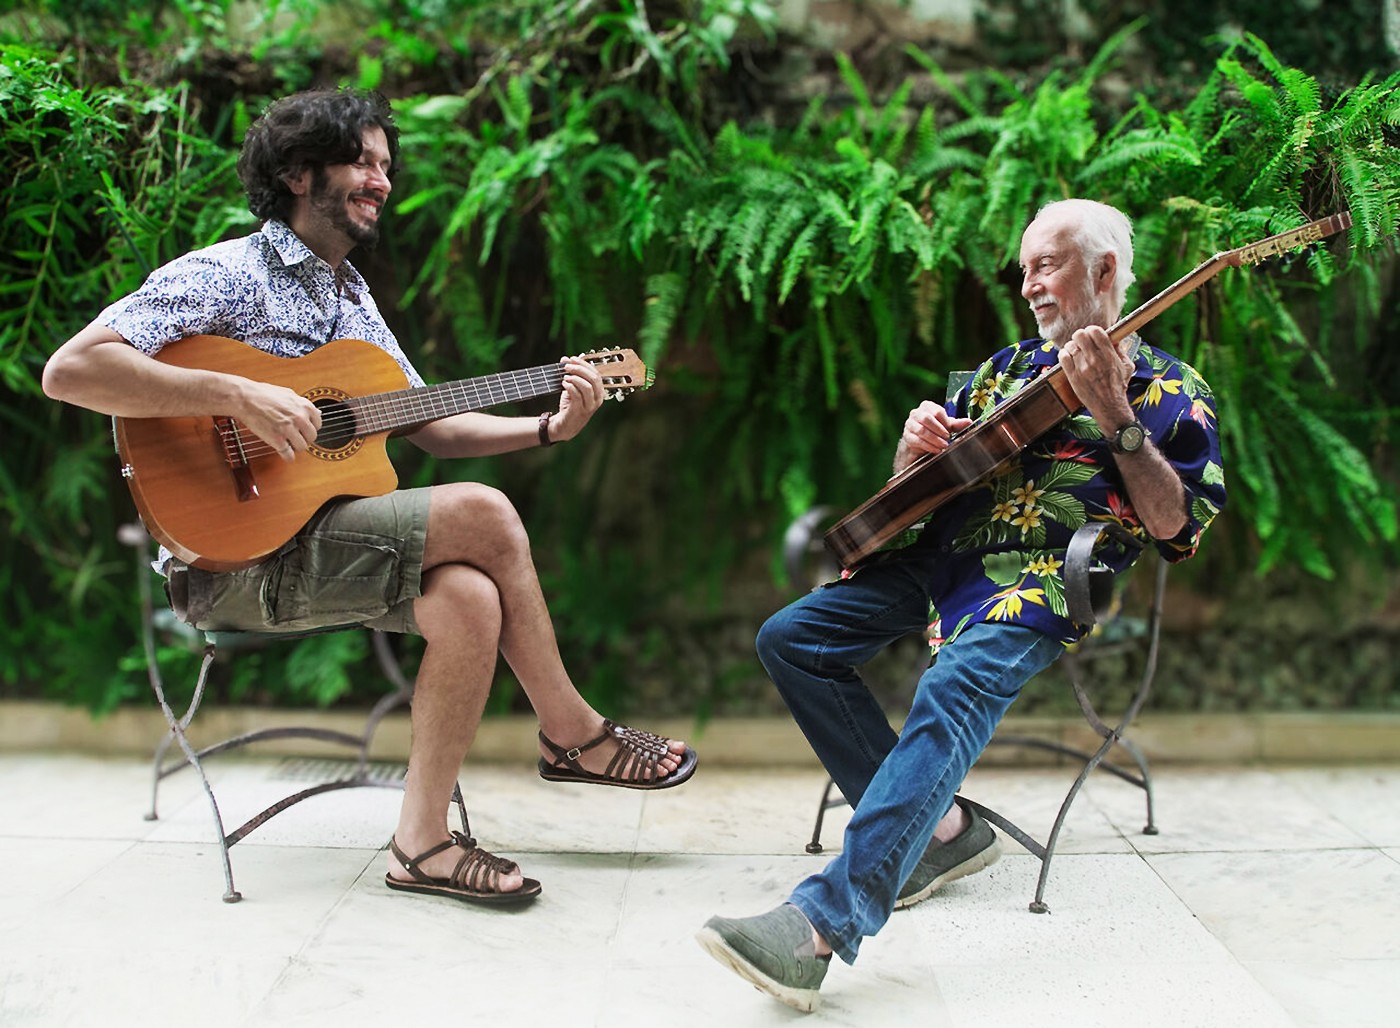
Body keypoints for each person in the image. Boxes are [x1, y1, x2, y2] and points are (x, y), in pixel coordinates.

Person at [42, 87, 697, 907]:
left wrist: (546, 429)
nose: (382, 179)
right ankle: (573, 733)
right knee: (485, 513)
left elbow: (434, 424)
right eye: (362, 160)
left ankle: (419, 845)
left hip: (319, 542)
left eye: (386, 165)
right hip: (236, 561)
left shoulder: (352, 301)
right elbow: (69, 371)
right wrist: (239, 396)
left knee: (466, 600)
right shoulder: (224, 272)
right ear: (296, 172)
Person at [696, 198, 1225, 1010]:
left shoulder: (1172, 389)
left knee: (948, 690)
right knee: (790, 637)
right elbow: (916, 501)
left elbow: (1176, 528)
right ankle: (942, 834)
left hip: (1045, 578)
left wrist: (1115, 415)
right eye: (1024, 271)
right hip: (938, 562)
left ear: (1105, 271)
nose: (1030, 286)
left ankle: (820, 928)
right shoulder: (1000, 372)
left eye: (1046, 265)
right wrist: (909, 457)